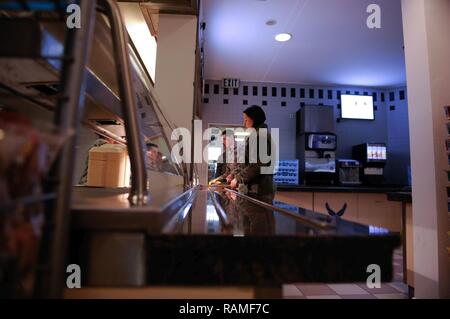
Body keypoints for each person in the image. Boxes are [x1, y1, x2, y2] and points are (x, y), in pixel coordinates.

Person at [229, 105, 276, 202]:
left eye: (246, 119)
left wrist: (238, 179)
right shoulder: (256, 135)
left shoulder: (261, 136)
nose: (244, 123)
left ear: (254, 119)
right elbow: (246, 162)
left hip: (260, 190)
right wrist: (234, 175)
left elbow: (257, 165)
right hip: (255, 189)